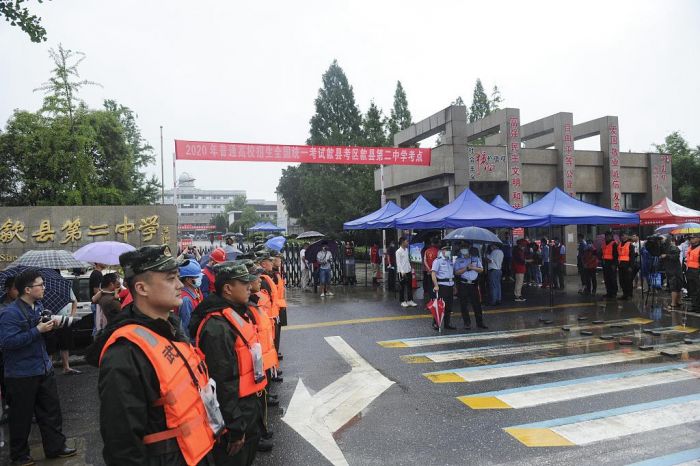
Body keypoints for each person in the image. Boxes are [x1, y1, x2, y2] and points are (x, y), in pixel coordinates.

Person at [88, 245, 218, 465]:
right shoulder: (125, 353)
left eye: (178, 277)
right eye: (170, 279)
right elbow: (122, 447)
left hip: (196, 454)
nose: (179, 285)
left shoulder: (170, 329)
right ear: (142, 288)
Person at [190, 262, 266, 465]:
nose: (249, 286)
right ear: (227, 288)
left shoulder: (238, 313)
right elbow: (222, 382)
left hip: (248, 406)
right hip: (236, 412)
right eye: (243, 283)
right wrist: (235, 428)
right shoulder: (217, 327)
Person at [0, 269, 77, 465]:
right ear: (27, 289)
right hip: (21, 373)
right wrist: (37, 330)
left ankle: (56, 448)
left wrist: (51, 327)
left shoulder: (39, 307)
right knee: (21, 417)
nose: (44, 288)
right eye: (40, 285)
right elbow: (7, 342)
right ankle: (19, 456)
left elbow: (41, 336)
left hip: (43, 367)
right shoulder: (10, 313)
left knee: (51, 412)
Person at [0, 277, 19, 425]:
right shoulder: (4, 308)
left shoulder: (24, 305)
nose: (17, 291)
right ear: (7, 290)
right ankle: (8, 409)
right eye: (15, 288)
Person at [455, 247, 487, 329]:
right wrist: (466, 268)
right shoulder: (458, 260)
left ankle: (480, 323)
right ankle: (467, 323)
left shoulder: (475, 259)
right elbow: (456, 272)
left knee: (477, 304)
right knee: (464, 305)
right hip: (463, 284)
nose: (463, 251)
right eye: (462, 250)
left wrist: (473, 268)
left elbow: (481, 270)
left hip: (473, 284)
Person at [431, 244, 456, 330]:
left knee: (449, 306)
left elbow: (452, 275)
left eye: (449, 250)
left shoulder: (450, 261)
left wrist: (454, 286)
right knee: (440, 306)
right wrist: (436, 285)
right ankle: (436, 323)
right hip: (442, 286)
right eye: (446, 250)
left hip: (450, 285)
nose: (448, 251)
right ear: (442, 251)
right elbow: (433, 273)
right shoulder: (438, 261)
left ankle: (447, 324)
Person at [177, 260, 204, 339]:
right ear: (188, 280)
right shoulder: (186, 300)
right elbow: (187, 328)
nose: (200, 279)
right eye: (197, 277)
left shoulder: (196, 289)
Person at [660, 235, 683, 310]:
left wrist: (666, 255)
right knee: (676, 286)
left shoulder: (673, 247)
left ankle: (673, 303)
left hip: (675, 270)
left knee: (674, 286)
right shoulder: (664, 247)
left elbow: (676, 257)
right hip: (670, 269)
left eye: (663, 239)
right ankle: (679, 301)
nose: (662, 240)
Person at [396, 237, 416, 307]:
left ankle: (410, 300)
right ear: (402, 242)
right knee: (402, 287)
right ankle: (402, 301)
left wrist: (410, 268)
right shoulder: (398, 251)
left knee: (409, 286)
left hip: (408, 270)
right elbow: (398, 263)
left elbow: (407, 261)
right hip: (402, 272)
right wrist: (402, 271)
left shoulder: (406, 250)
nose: (407, 242)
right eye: (406, 241)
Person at [617, 231, 637, 300]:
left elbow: (632, 257)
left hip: (628, 265)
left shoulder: (630, 245)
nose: (623, 237)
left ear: (627, 236)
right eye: (622, 235)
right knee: (622, 281)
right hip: (621, 265)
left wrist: (631, 266)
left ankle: (629, 294)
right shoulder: (619, 244)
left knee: (628, 280)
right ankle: (624, 294)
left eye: (624, 235)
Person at [601, 230, 619, 299]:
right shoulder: (604, 244)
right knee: (607, 279)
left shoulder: (614, 244)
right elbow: (603, 253)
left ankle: (614, 292)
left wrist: (614, 264)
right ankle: (609, 292)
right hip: (605, 263)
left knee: (612, 279)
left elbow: (616, 255)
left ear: (611, 236)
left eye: (608, 236)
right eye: (606, 236)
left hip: (611, 264)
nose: (607, 237)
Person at [89, 263, 106, 335]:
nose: (105, 263)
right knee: (97, 328)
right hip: (97, 304)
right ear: (98, 262)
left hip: (97, 304)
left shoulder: (98, 273)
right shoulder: (97, 274)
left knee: (99, 327)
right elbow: (96, 291)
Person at [684, 233, 700, 311]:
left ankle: (698, 307)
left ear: (698, 239)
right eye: (690, 238)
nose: (691, 239)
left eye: (693, 238)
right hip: (689, 270)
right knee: (692, 289)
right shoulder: (690, 247)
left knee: (698, 289)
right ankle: (694, 306)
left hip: (697, 271)